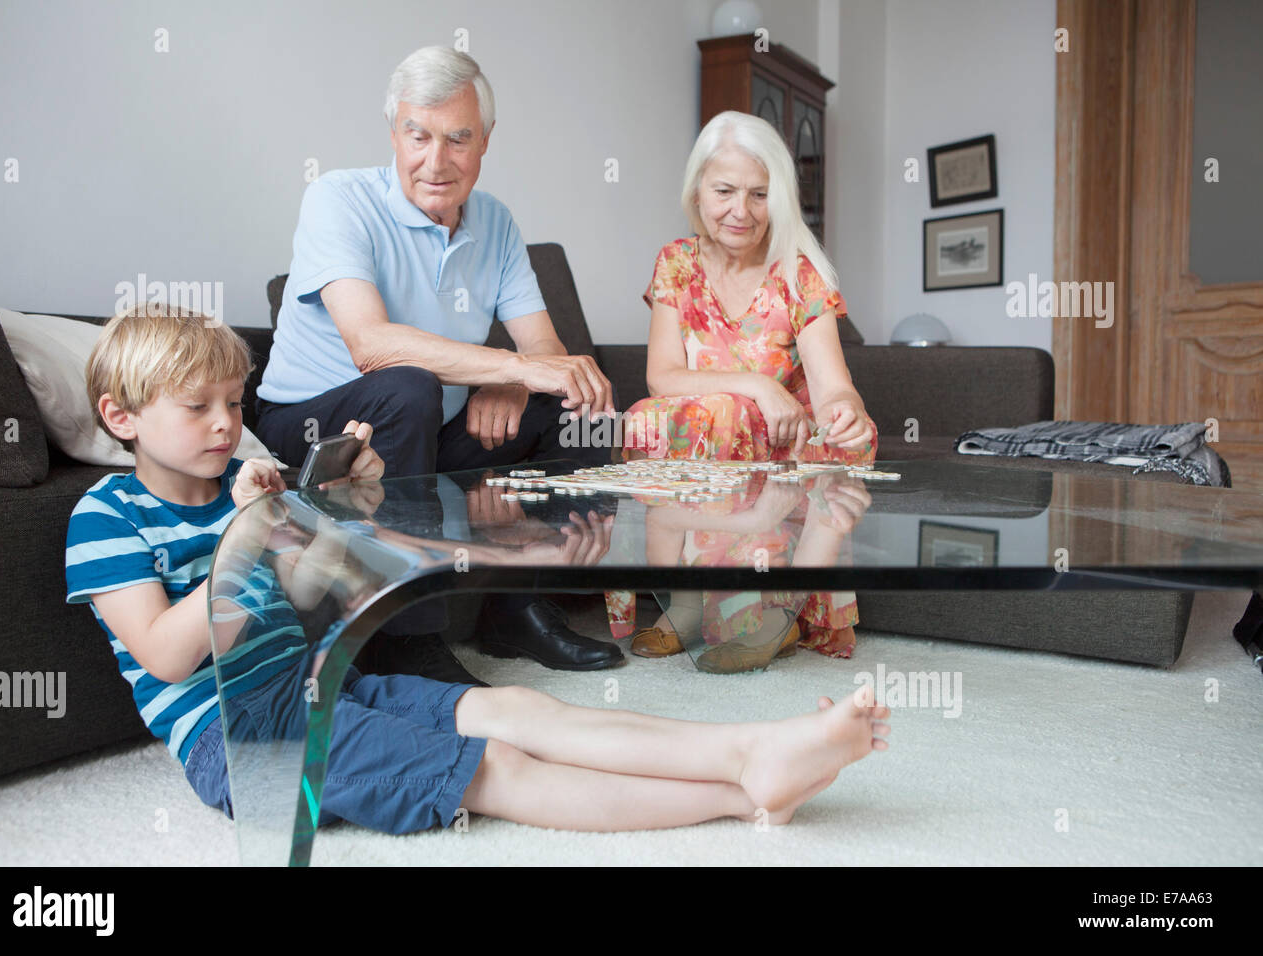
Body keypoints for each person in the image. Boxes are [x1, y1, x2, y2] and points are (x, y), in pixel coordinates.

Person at [66, 307, 890, 836]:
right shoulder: (106, 517)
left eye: (233, 403)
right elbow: (169, 655)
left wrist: (333, 514)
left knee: (519, 708)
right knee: (495, 770)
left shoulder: (247, 491)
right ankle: (742, 792)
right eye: (198, 407)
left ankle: (751, 745)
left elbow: (316, 599)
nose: (227, 424)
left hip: (325, 686)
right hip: (244, 739)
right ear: (121, 417)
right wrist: (251, 535)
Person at [254, 46, 621, 674]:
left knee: (574, 395)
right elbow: (370, 346)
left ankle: (520, 608)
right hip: (316, 430)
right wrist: (509, 367)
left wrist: (517, 378)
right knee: (407, 387)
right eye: (417, 135)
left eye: (458, 138)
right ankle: (402, 635)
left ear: (485, 141)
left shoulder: (497, 223)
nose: (436, 160)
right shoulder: (336, 199)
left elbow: (545, 352)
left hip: (429, 431)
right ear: (393, 133)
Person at [608, 111, 878, 661]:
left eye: (759, 194)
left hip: (784, 438)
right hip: (717, 434)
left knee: (844, 439)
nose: (741, 210)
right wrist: (756, 385)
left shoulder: (799, 272)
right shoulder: (676, 263)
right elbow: (663, 377)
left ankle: (777, 615)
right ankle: (683, 604)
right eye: (725, 190)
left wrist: (845, 407)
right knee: (661, 414)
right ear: (698, 192)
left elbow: (833, 389)